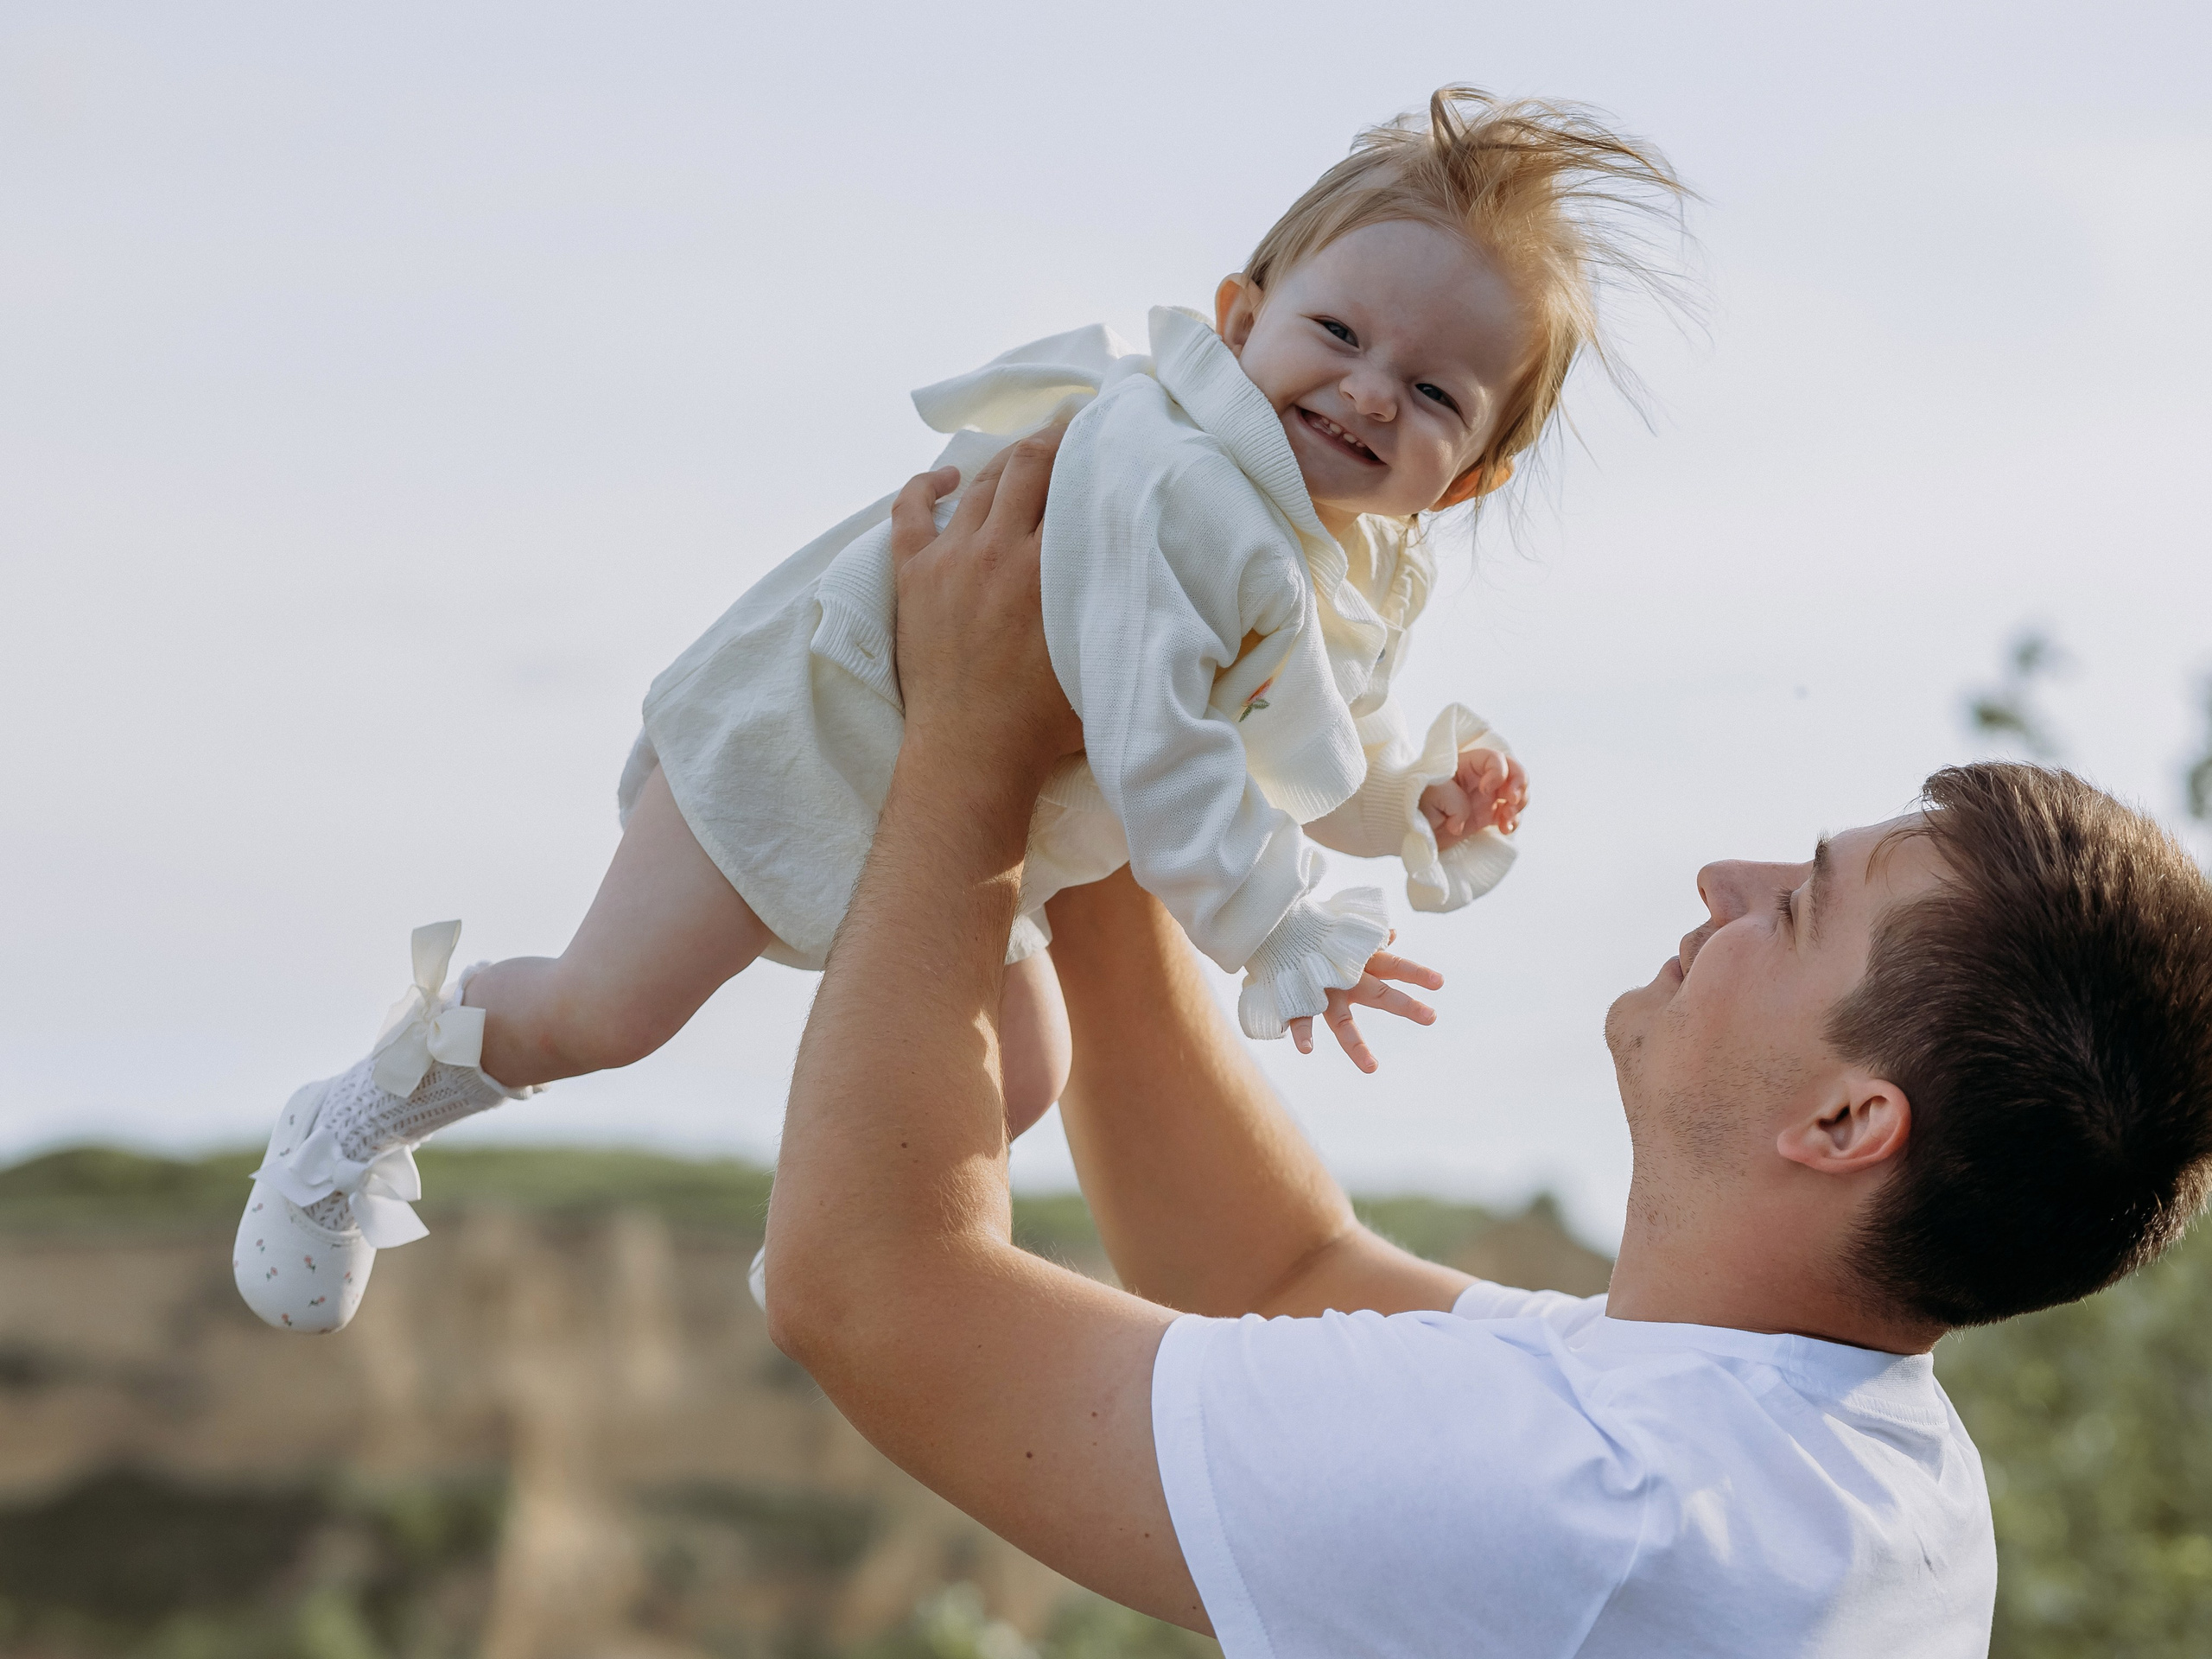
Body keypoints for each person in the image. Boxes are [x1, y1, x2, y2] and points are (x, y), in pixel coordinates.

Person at [234, 86, 1691, 1333]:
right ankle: (351, 1115)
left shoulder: (1349, 556)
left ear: (1479, 469)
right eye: (1339, 332)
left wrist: (1407, 805)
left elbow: (1298, 736)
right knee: (608, 1011)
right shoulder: (1178, 480)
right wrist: (1273, 923)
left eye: (1436, 393)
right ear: (1241, 315)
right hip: (819, 733)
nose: (1372, 394)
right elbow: (1160, 740)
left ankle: (822, 1242)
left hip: (974, 809)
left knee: (1023, 1075)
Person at [760, 432, 2212, 1657]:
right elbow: (1274, 1277)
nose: (1728, 882)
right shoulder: (1840, 1457)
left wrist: (972, 737)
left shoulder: (1590, 1509)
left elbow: (868, 1297)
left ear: (1846, 1123)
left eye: (1804, 904)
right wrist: (1123, 726)